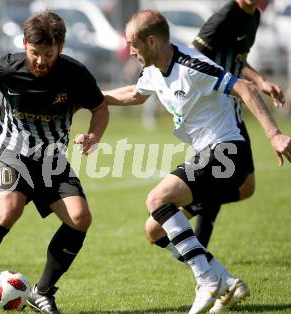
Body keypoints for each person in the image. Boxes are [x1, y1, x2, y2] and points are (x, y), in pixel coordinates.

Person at [103, 10, 291, 314]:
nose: (130, 50)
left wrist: (274, 135)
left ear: (151, 41)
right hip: (208, 154)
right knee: (155, 229)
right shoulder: (153, 69)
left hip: (227, 153)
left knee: (157, 198)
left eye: (133, 44)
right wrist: (93, 98)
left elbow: (245, 88)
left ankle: (206, 280)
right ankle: (225, 280)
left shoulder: (192, 65)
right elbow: (135, 95)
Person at [0, 11, 109, 314]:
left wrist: (94, 135)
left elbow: (100, 107)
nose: (41, 61)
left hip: (52, 161)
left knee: (80, 218)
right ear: (24, 44)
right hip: (11, 152)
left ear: (60, 46)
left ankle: (42, 292)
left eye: (48, 54)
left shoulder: (74, 73)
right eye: (35, 53)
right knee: (8, 210)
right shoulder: (7, 68)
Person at [189, 0, 286, 248]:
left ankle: (186, 209)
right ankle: (194, 245)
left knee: (246, 187)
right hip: (216, 112)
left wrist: (261, 82)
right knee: (226, 180)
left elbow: (238, 60)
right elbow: (193, 55)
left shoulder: (253, 16)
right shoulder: (225, 16)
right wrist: (220, 86)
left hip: (232, 109)